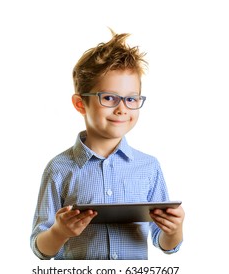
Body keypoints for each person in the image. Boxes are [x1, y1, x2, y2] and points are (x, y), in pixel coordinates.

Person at [30, 30, 185, 260]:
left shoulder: (149, 167)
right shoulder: (59, 168)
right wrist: (59, 232)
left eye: (131, 99)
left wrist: (175, 230)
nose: (122, 108)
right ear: (80, 104)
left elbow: (164, 243)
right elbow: (40, 248)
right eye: (109, 98)